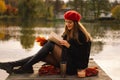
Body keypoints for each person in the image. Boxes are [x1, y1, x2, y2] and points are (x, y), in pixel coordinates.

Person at [0, 10, 92, 76]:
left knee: (50, 45)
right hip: (66, 60)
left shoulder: (82, 35)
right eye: (66, 22)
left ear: (76, 23)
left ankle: (25, 67)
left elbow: (83, 57)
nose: (68, 24)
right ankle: (12, 64)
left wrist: (69, 46)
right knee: (42, 53)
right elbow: (62, 45)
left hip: (74, 67)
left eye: (70, 22)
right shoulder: (68, 31)